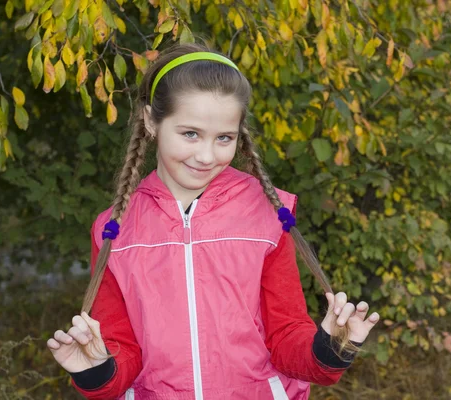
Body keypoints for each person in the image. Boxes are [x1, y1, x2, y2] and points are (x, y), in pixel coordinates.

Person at [46, 43, 380, 400]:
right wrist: (97, 370)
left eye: (224, 138)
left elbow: (285, 337)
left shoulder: (266, 214)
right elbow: (122, 351)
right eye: (190, 134)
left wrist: (327, 350)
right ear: (151, 121)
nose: (206, 156)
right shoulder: (114, 231)